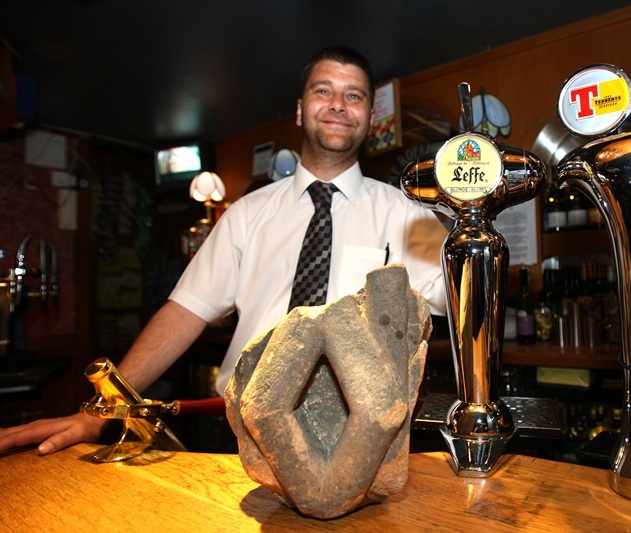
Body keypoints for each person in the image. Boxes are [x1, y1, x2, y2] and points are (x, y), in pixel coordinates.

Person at [0, 46, 448, 456]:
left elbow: (456, 296)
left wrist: (473, 226)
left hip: (360, 435)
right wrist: (98, 410)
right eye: (323, 91)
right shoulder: (245, 215)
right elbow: (183, 314)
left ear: (370, 118)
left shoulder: (407, 214)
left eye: (354, 96)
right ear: (299, 110)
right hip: (247, 430)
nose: (337, 104)